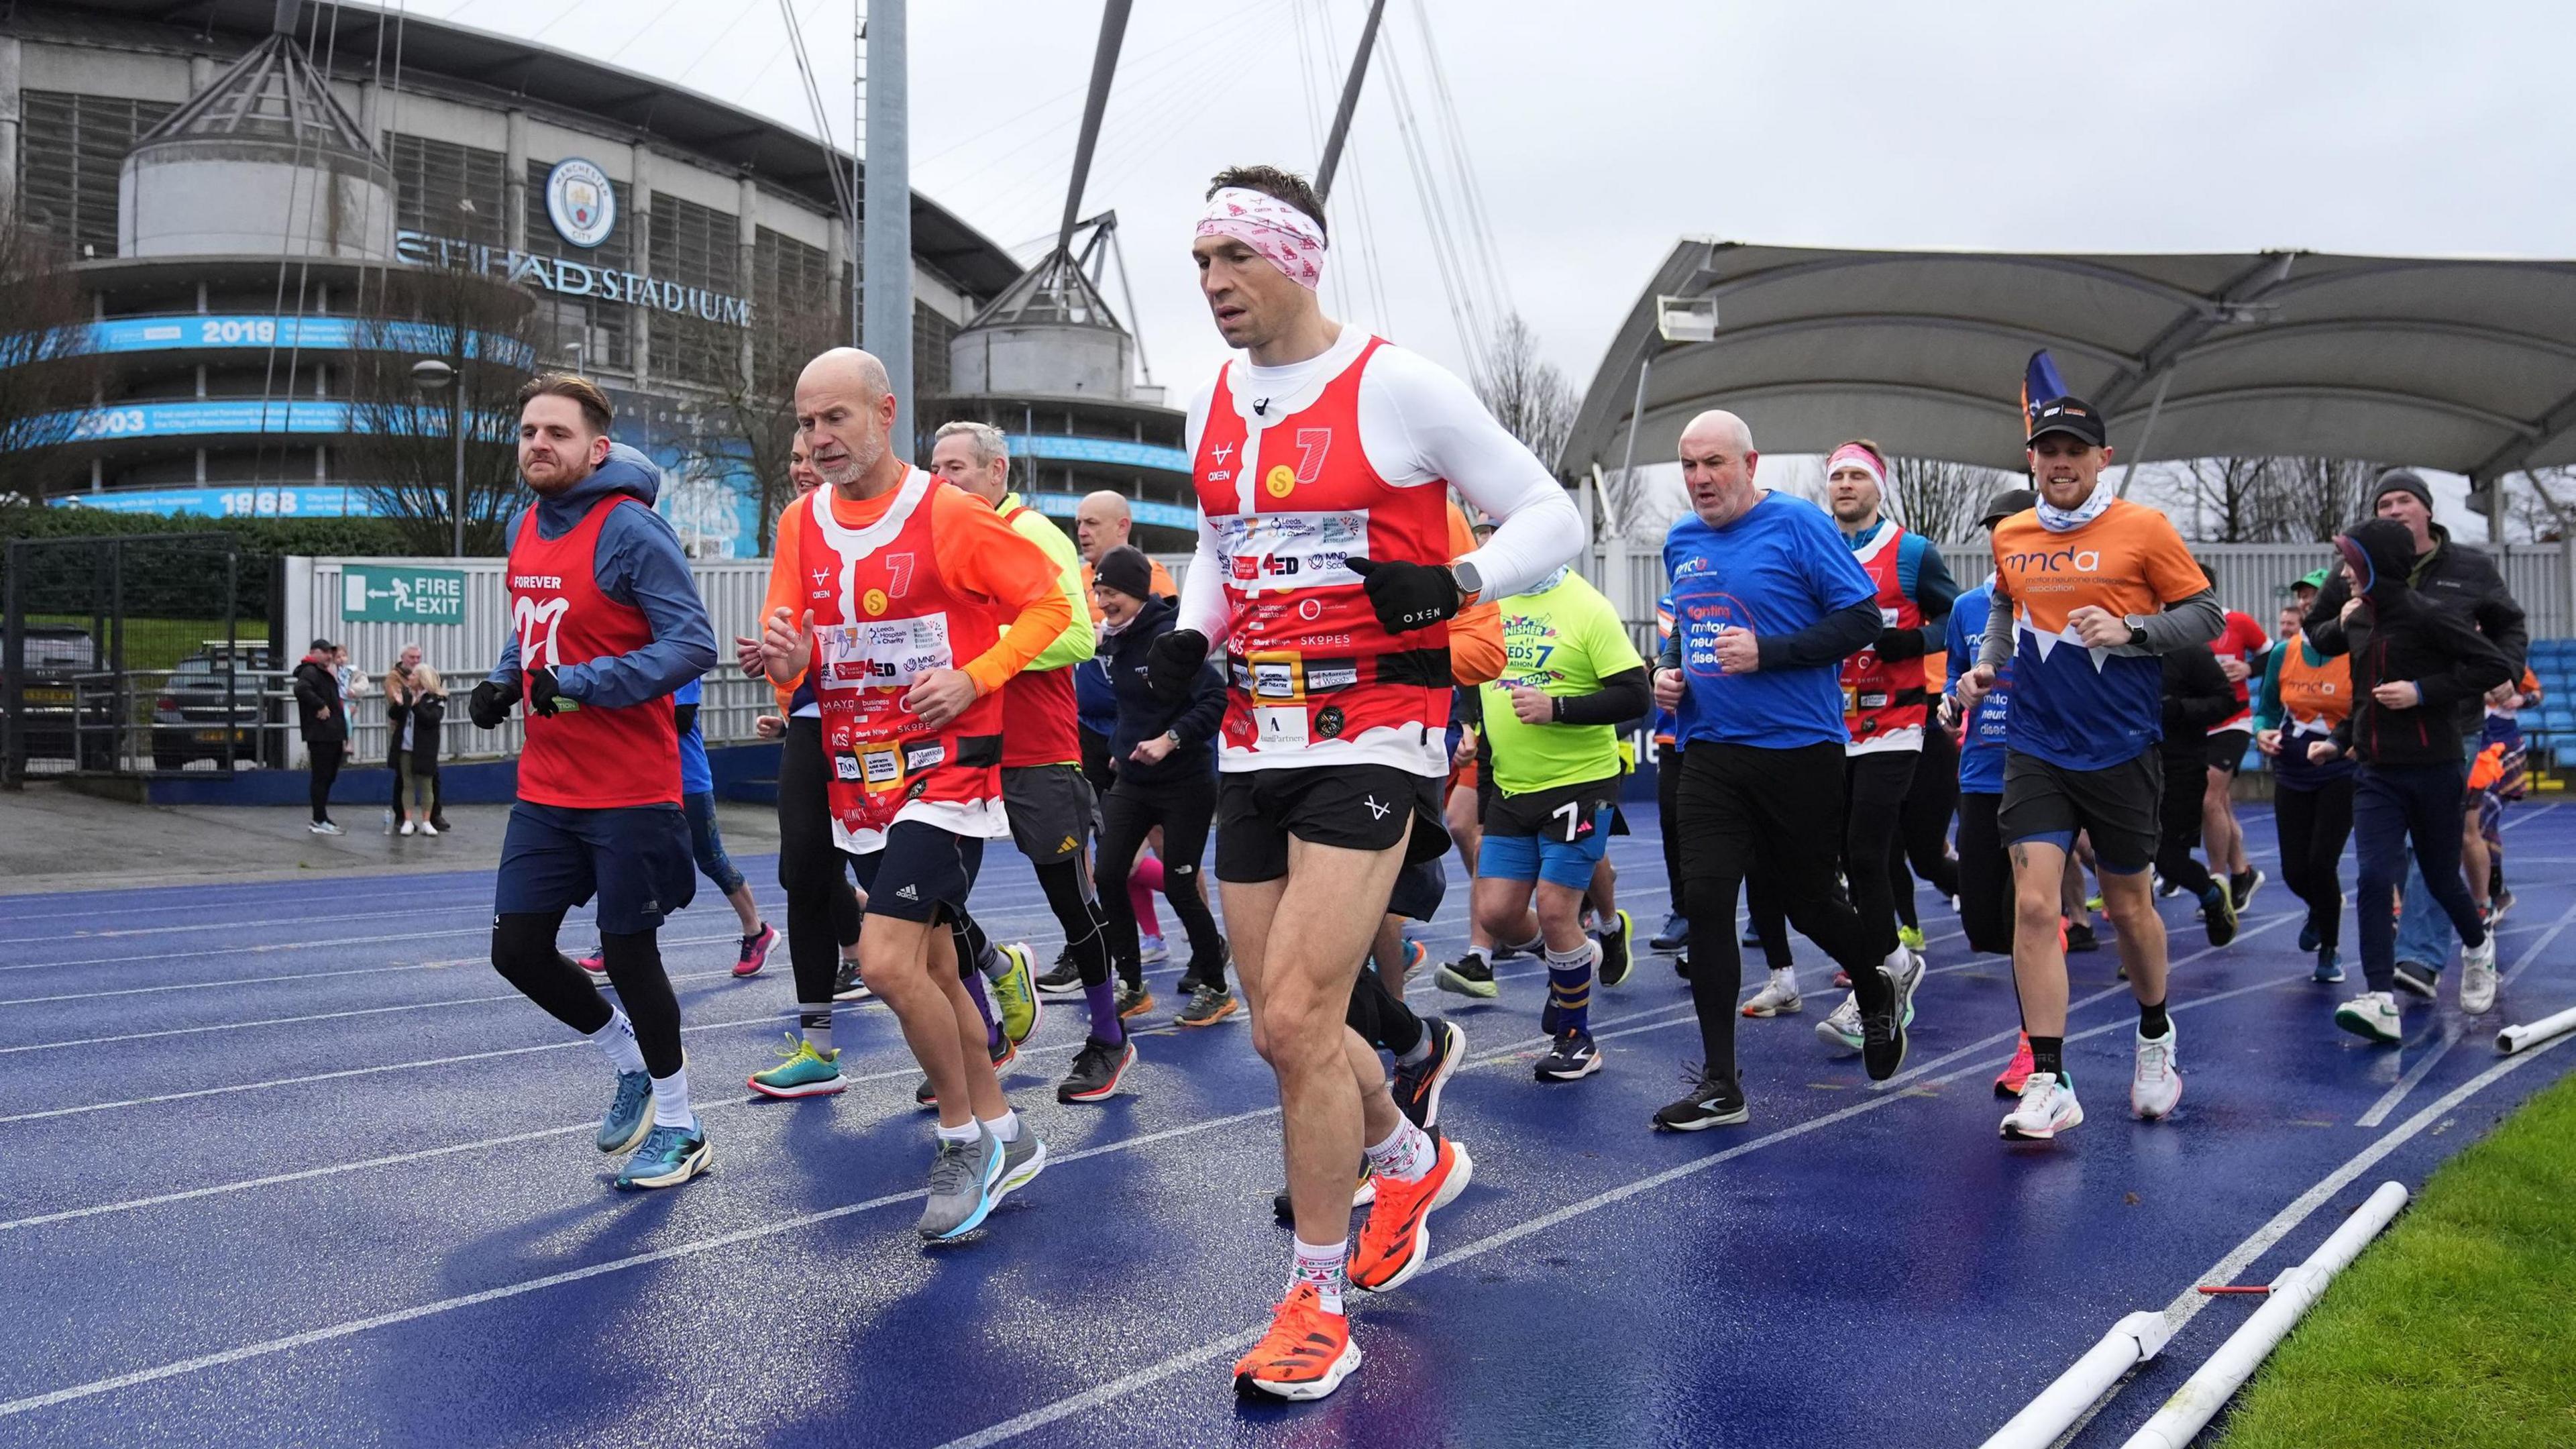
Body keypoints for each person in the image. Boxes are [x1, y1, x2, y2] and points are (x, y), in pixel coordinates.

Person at [1165, 165, 1581, 1401]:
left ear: (1297, 258)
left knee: (1297, 1021)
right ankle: (1404, 1154)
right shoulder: (1211, 403)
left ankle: (1315, 1299)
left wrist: (1461, 583)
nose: (1213, 284)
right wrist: (1196, 631)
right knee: (1279, 1023)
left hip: (1376, 732)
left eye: (1233, 257)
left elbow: (1549, 513)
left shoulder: (1394, 385)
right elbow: (1219, 539)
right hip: (1255, 738)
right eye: (1199, 263)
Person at [757, 346, 1071, 1239]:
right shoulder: (799, 525)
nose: (818, 439)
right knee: (935, 968)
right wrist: (786, 665)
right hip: (859, 774)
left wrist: (975, 676)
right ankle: (1006, 1130)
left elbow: (1050, 604)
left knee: (890, 964)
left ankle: (962, 1139)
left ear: (885, 413)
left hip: (949, 767)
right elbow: (800, 647)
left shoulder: (949, 515)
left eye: (835, 419)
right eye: (807, 422)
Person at [466, 373, 720, 1190]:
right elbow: (532, 630)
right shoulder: (525, 524)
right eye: (529, 431)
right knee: (518, 950)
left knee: (629, 952)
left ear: (597, 449)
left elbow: (691, 646)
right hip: (547, 786)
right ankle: (629, 1062)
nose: (539, 444)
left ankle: (682, 1126)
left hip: (631, 788)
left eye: (558, 434)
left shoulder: (633, 531)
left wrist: (582, 682)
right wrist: (507, 677)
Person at [1955, 395, 2222, 1142]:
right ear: (2032, 460)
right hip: (2037, 745)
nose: (2060, 462)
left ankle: (2155, 1036)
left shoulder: (2144, 528)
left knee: (2130, 907)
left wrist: (2132, 628)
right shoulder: (2013, 533)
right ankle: (2048, 1076)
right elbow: (2007, 607)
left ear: (2102, 459)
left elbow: (2206, 617)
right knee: (2035, 907)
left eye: (2075, 450)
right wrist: (1984, 667)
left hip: (2122, 747)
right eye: (2048, 450)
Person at [1650, 410, 1911, 1131]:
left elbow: (1863, 621)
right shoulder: (1681, 541)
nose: (1701, 479)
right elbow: (1687, 636)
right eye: (1690, 466)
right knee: (1706, 901)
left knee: (1807, 903)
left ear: (1750, 463)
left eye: (1714, 464)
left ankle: (1876, 980)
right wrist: (1667, 676)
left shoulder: (1797, 525)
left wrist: (1770, 652)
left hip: (1800, 748)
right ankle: (1721, 1084)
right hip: (1710, 750)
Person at [2302, 470, 2526, 1004]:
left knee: (2433, 864)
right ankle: (2380, 994)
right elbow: (2323, 635)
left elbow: (2504, 634)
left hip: (2450, 729)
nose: (2395, 508)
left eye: (2405, 499)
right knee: (2376, 872)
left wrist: (2496, 676)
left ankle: (2423, 959)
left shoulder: (2467, 570)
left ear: (2427, 511)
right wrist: (2340, 736)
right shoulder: (2354, 577)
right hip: (2377, 749)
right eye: (2384, 502)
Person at [1766, 440, 1953, 1046]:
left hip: (1894, 723)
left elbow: (1965, 616)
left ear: (1879, 486)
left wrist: (1919, 642)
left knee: (1867, 852)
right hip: (1822, 725)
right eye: (1837, 476)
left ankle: (1870, 989)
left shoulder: (1912, 553)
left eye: (1857, 476)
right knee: (1831, 865)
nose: (1845, 485)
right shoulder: (1809, 545)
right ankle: (1897, 965)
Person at [927, 420, 1104, 1055]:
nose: (941, 481)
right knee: (937, 902)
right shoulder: (940, 537)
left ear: (996, 472)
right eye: (936, 469)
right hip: (964, 746)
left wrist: (980, 669)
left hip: (1037, 745)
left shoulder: (1031, 531)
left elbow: (1080, 636)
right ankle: (986, 1034)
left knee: (1069, 902)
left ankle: (1108, 1036)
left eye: (956, 469)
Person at [1470, 560, 1649, 1080]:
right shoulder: (1488, 605)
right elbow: (1482, 698)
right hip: (1512, 788)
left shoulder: (1587, 606)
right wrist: (1484, 796)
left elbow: (1636, 695)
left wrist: (1559, 709)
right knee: (1498, 916)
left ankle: (1576, 1037)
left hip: (1582, 784)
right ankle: (1574, 959)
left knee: (1554, 911)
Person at [1091, 545, 1234, 1057]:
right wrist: (1119, 751)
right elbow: (1129, 709)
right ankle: (1131, 984)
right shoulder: (1117, 641)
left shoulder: (1170, 638)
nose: (1103, 604)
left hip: (1185, 782)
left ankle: (1216, 988)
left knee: (1179, 883)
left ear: (1135, 593)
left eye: (1111, 595)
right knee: (1107, 874)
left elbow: (1216, 699)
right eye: (1099, 593)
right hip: (1133, 778)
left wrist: (1170, 739)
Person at [1941, 488, 2035, 1092]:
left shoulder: (2062, 603)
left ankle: (2034, 1045)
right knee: (1981, 919)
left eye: (2015, 528)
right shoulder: (1969, 608)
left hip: (2041, 772)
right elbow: (1953, 676)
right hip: (1978, 773)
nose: (2006, 539)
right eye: (1997, 530)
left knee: (2026, 909)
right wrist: (1954, 702)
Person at [2253, 569, 2355, 983]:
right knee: (2294, 871)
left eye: (2317, 596)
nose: (2309, 603)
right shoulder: (2284, 651)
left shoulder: (2357, 649)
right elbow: (2266, 710)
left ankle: (2330, 949)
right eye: (2303, 598)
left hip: (2339, 770)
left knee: (2321, 863)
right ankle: (2321, 908)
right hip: (2292, 768)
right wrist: (2262, 732)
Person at [2154, 641, 2244, 946]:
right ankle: (2141, 948)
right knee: (2128, 862)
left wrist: (2178, 708)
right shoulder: (2115, 648)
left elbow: (2225, 701)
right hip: (2127, 768)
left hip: (2180, 769)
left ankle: (2211, 894)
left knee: (2167, 860)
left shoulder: (2188, 650)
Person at [2202, 584, 2269, 907]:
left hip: (2234, 721)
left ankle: (2217, 884)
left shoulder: (2239, 622)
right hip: (2198, 724)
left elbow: (2271, 653)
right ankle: (2242, 872)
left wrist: (2249, 668)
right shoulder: (2178, 627)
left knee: (2209, 800)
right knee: (2221, 804)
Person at [2471, 665, 2541, 920]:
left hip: (2505, 750)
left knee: (2482, 819)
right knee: (2475, 827)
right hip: (2473, 750)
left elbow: (2535, 694)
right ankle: (2495, 892)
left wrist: (2520, 699)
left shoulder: (2506, 660)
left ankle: (2491, 894)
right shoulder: (2453, 654)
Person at [383, 648, 445, 837]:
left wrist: (416, 706)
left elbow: (431, 719)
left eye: (415, 676)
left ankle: (428, 820)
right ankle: (407, 820)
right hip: (405, 746)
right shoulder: (406, 694)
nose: (410, 678)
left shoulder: (436, 698)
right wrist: (400, 704)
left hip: (425, 748)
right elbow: (394, 715)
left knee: (427, 784)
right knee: (406, 783)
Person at [291, 638, 347, 835]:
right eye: (325, 652)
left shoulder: (324, 672)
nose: (329, 656)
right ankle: (319, 819)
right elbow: (300, 689)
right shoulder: (310, 671)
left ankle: (322, 817)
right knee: (321, 777)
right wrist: (320, 705)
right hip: (320, 734)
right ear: (314, 652)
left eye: (331, 652)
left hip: (332, 733)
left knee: (329, 776)